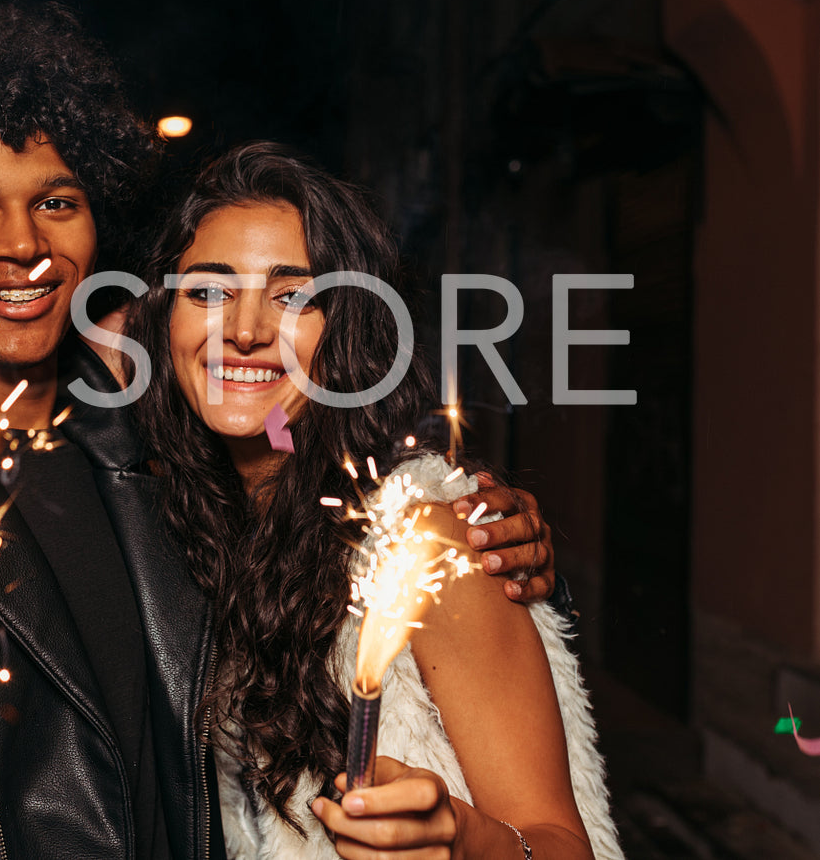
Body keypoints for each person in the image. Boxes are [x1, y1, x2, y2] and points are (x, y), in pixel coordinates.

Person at [0, 3, 560, 860]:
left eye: (56, 201)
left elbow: (321, 488)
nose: (20, 243)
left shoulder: (172, 455)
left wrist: (474, 516)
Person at [120, 142, 621, 859]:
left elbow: (564, 844)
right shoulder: (183, 524)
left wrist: (457, 834)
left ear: (345, 331)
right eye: (207, 289)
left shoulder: (425, 546)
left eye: (293, 296)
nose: (245, 329)